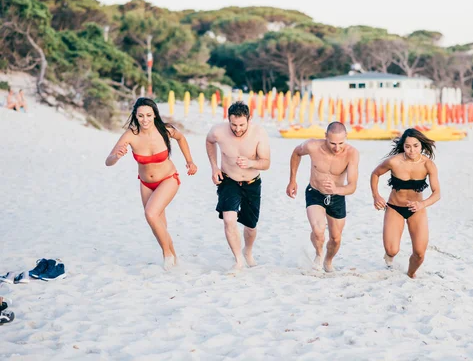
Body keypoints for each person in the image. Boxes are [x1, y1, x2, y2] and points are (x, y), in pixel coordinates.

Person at [105, 97, 197, 270]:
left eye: (148, 115)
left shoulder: (165, 130)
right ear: (135, 116)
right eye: (141, 116)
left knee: (150, 214)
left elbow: (181, 138)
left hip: (168, 179)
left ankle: (167, 256)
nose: (145, 119)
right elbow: (108, 161)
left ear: (154, 114)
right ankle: (175, 258)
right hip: (146, 183)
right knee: (159, 224)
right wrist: (116, 156)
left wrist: (190, 161)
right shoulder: (130, 135)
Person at [286, 122, 359, 273]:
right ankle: (319, 255)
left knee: (336, 238)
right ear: (325, 137)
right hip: (315, 192)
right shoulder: (313, 146)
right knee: (319, 231)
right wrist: (292, 180)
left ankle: (328, 261)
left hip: (337, 196)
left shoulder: (352, 153)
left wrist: (336, 189)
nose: (337, 148)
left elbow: (352, 186)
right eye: (332, 143)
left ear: (346, 137)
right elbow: (296, 153)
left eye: (340, 143)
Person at [205, 101, 270, 271]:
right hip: (228, 180)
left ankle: (247, 252)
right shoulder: (218, 131)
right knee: (229, 220)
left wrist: (250, 162)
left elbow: (266, 163)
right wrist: (214, 166)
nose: (238, 129)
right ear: (228, 120)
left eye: (242, 125)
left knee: (250, 226)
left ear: (249, 119)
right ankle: (238, 259)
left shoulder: (259, 133)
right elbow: (209, 141)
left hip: (252, 183)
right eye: (234, 125)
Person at [370, 128, 441, 278]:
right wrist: (376, 196)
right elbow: (375, 174)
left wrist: (422, 204)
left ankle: (410, 273)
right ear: (403, 146)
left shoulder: (428, 165)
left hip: (417, 209)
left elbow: (437, 193)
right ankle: (388, 257)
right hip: (395, 207)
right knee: (392, 250)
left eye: (415, 146)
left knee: (420, 253)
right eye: (407, 146)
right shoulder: (394, 162)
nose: (412, 150)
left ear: (421, 145)